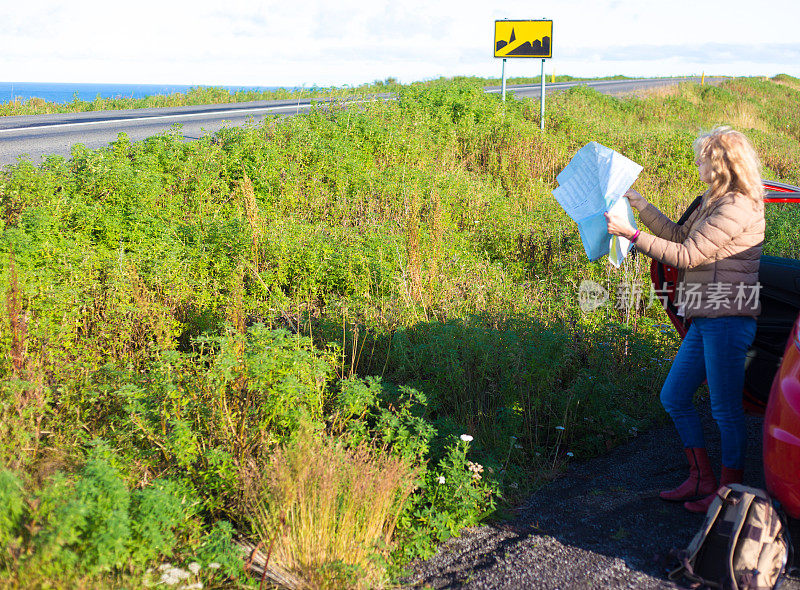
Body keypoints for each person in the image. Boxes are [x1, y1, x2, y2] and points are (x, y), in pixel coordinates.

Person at [604, 126, 765, 513]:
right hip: (705, 314)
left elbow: (688, 255)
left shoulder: (738, 206)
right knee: (674, 395)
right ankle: (701, 479)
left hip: (727, 316)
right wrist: (640, 204)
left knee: (725, 410)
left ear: (722, 162)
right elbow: (677, 235)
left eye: (703, 157)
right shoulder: (713, 200)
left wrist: (631, 234)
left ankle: (728, 496)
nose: (697, 163)